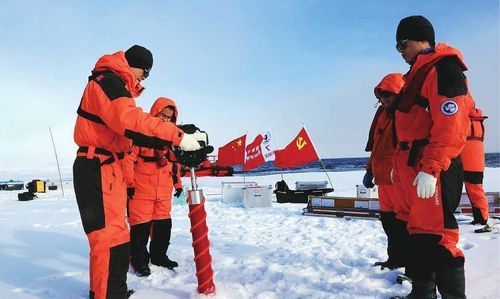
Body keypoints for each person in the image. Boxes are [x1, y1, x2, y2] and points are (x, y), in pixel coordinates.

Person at [73, 45, 203, 299]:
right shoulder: (107, 81)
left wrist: (172, 140)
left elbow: (135, 134)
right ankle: (108, 295)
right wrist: (177, 137)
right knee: (108, 238)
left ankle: (112, 290)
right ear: (134, 64)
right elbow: (129, 121)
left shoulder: (114, 84)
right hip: (97, 166)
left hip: (109, 167)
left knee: (117, 234)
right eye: (145, 72)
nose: (145, 78)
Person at [390, 16, 474, 299]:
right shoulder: (418, 73)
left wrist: (432, 168)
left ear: (422, 39)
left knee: (440, 236)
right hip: (414, 169)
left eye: (403, 43)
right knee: (419, 235)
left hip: (432, 170)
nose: (400, 50)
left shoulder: (442, 68)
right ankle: (422, 293)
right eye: (397, 45)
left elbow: (451, 125)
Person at [123, 97, 184, 277]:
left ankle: (159, 256)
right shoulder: (140, 135)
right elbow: (128, 160)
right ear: (154, 114)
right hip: (141, 190)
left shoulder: (171, 140)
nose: (165, 120)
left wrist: (178, 184)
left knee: (163, 227)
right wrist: (129, 184)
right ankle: (139, 261)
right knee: (140, 228)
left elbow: (175, 165)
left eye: (169, 117)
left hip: (163, 192)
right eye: (162, 115)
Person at [364, 73, 407, 270]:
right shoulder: (382, 115)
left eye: (388, 95)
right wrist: (369, 170)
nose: (384, 99)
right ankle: (395, 259)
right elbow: (377, 145)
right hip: (383, 178)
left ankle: (413, 265)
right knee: (389, 223)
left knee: (404, 224)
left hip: (399, 179)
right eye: (381, 96)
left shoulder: (406, 114)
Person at [462, 107, 489, 225]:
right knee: (477, 191)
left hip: (464, 161)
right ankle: (482, 218)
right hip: (477, 163)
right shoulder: (479, 124)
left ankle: (481, 219)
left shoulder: (464, 122)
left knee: (451, 192)